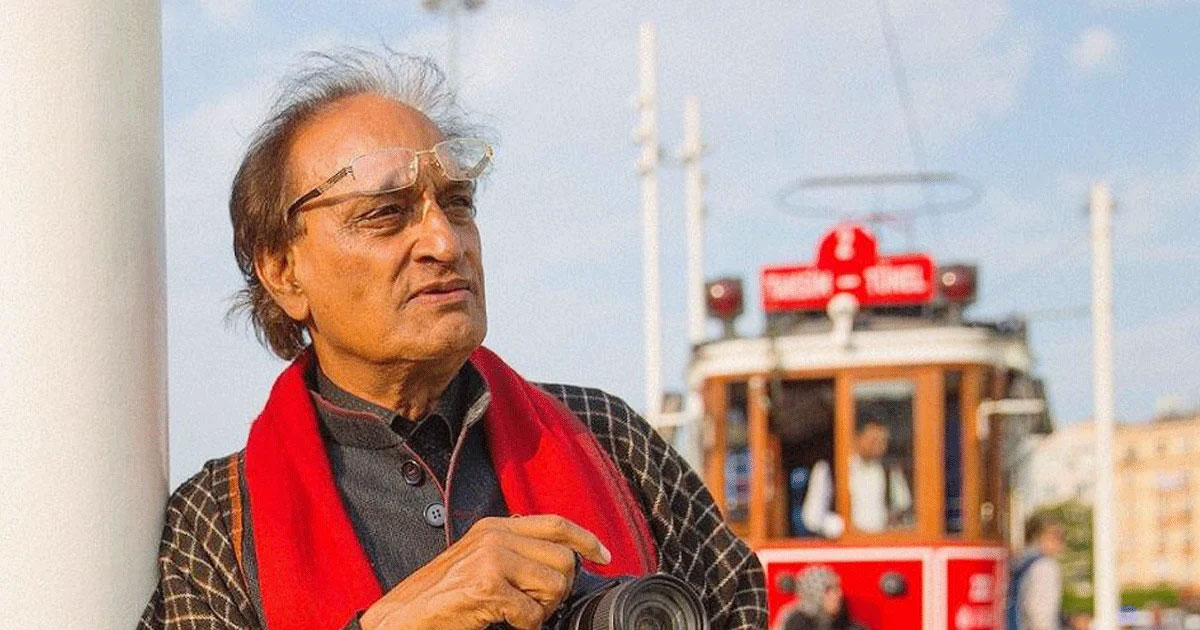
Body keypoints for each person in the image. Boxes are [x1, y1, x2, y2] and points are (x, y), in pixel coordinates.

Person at [138, 49, 765, 630]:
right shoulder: (220, 523)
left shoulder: (607, 438)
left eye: (458, 203)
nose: (446, 242)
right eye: (385, 213)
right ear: (284, 273)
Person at [801, 420, 912, 536]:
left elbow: (902, 507)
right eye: (873, 440)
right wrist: (840, 527)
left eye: (883, 441)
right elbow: (811, 517)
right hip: (845, 544)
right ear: (856, 437)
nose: (879, 446)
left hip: (880, 543)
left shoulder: (889, 471)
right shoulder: (829, 469)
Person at [1006, 514, 1066, 630]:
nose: (1061, 542)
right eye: (1055, 536)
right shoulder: (1045, 566)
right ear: (1038, 536)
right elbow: (1041, 614)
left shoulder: (1020, 562)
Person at [773, 566, 864, 630]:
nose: (839, 594)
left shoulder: (850, 627)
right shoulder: (793, 624)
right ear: (813, 595)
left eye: (837, 588)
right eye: (829, 590)